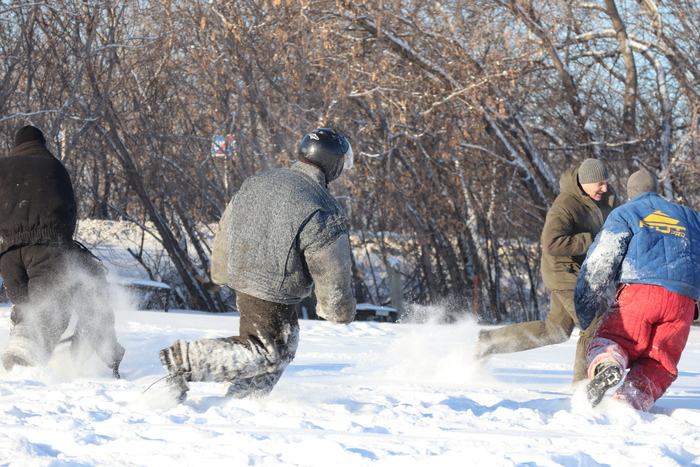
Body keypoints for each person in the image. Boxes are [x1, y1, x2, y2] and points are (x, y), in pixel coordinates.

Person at [159, 128, 357, 402]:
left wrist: (220, 272)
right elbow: (330, 264)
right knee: (266, 350)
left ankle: (242, 400)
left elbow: (226, 228)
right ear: (332, 163)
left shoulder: (257, 182)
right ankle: (187, 359)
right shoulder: (322, 205)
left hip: (247, 278)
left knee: (283, 346)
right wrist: (338, 310)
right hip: (272, 287)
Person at [475, 159, 618, 383]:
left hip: (584, 272)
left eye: (606, 182)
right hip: (563, 271)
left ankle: (490, 342)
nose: (605, 188)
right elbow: (551, 242)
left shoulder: (607, 198)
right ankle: (583, 389)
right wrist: (592, 239)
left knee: (556, 331)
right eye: (599, 183)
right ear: (584, 182)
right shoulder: (565, 205)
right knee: (593, 323)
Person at [0, 125, 124, 377]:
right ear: (43, 143)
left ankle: (22, 358)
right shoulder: (55, 167)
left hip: (9, 256)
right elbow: (69, 211)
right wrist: (62, 242)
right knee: (51, 312)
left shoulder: (3, 167)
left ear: (16, 145)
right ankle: (26, 363)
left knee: (28, 307)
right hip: (47, 249)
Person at [575, 169, 700, 411]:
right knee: (659, 359)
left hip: (641, 292)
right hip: (683, 300)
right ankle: (630, 402)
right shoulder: (692, 218)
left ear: (630, 194)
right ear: (657, 190)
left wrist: (586, 300)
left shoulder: (626, 212)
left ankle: (609, 363)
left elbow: (602, 258)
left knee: (616, 339)